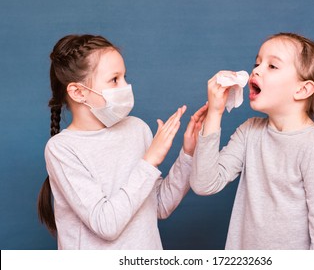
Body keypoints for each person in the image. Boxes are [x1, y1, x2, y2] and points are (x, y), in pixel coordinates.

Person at [37, 34, 207, 249]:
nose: (126, 86)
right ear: (78, 92)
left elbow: (159, 206)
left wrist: (188, 154)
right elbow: (106, 224)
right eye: (114, 79)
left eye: (125, 77)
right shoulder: (62, 149)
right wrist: (149, 161)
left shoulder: (136, 128)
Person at [190, 32, 314, 249]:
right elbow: (203, 183)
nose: (256, 70)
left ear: (302, 89)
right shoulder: (250, 132)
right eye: (257, 63)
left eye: (272, 66)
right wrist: (215, 113)